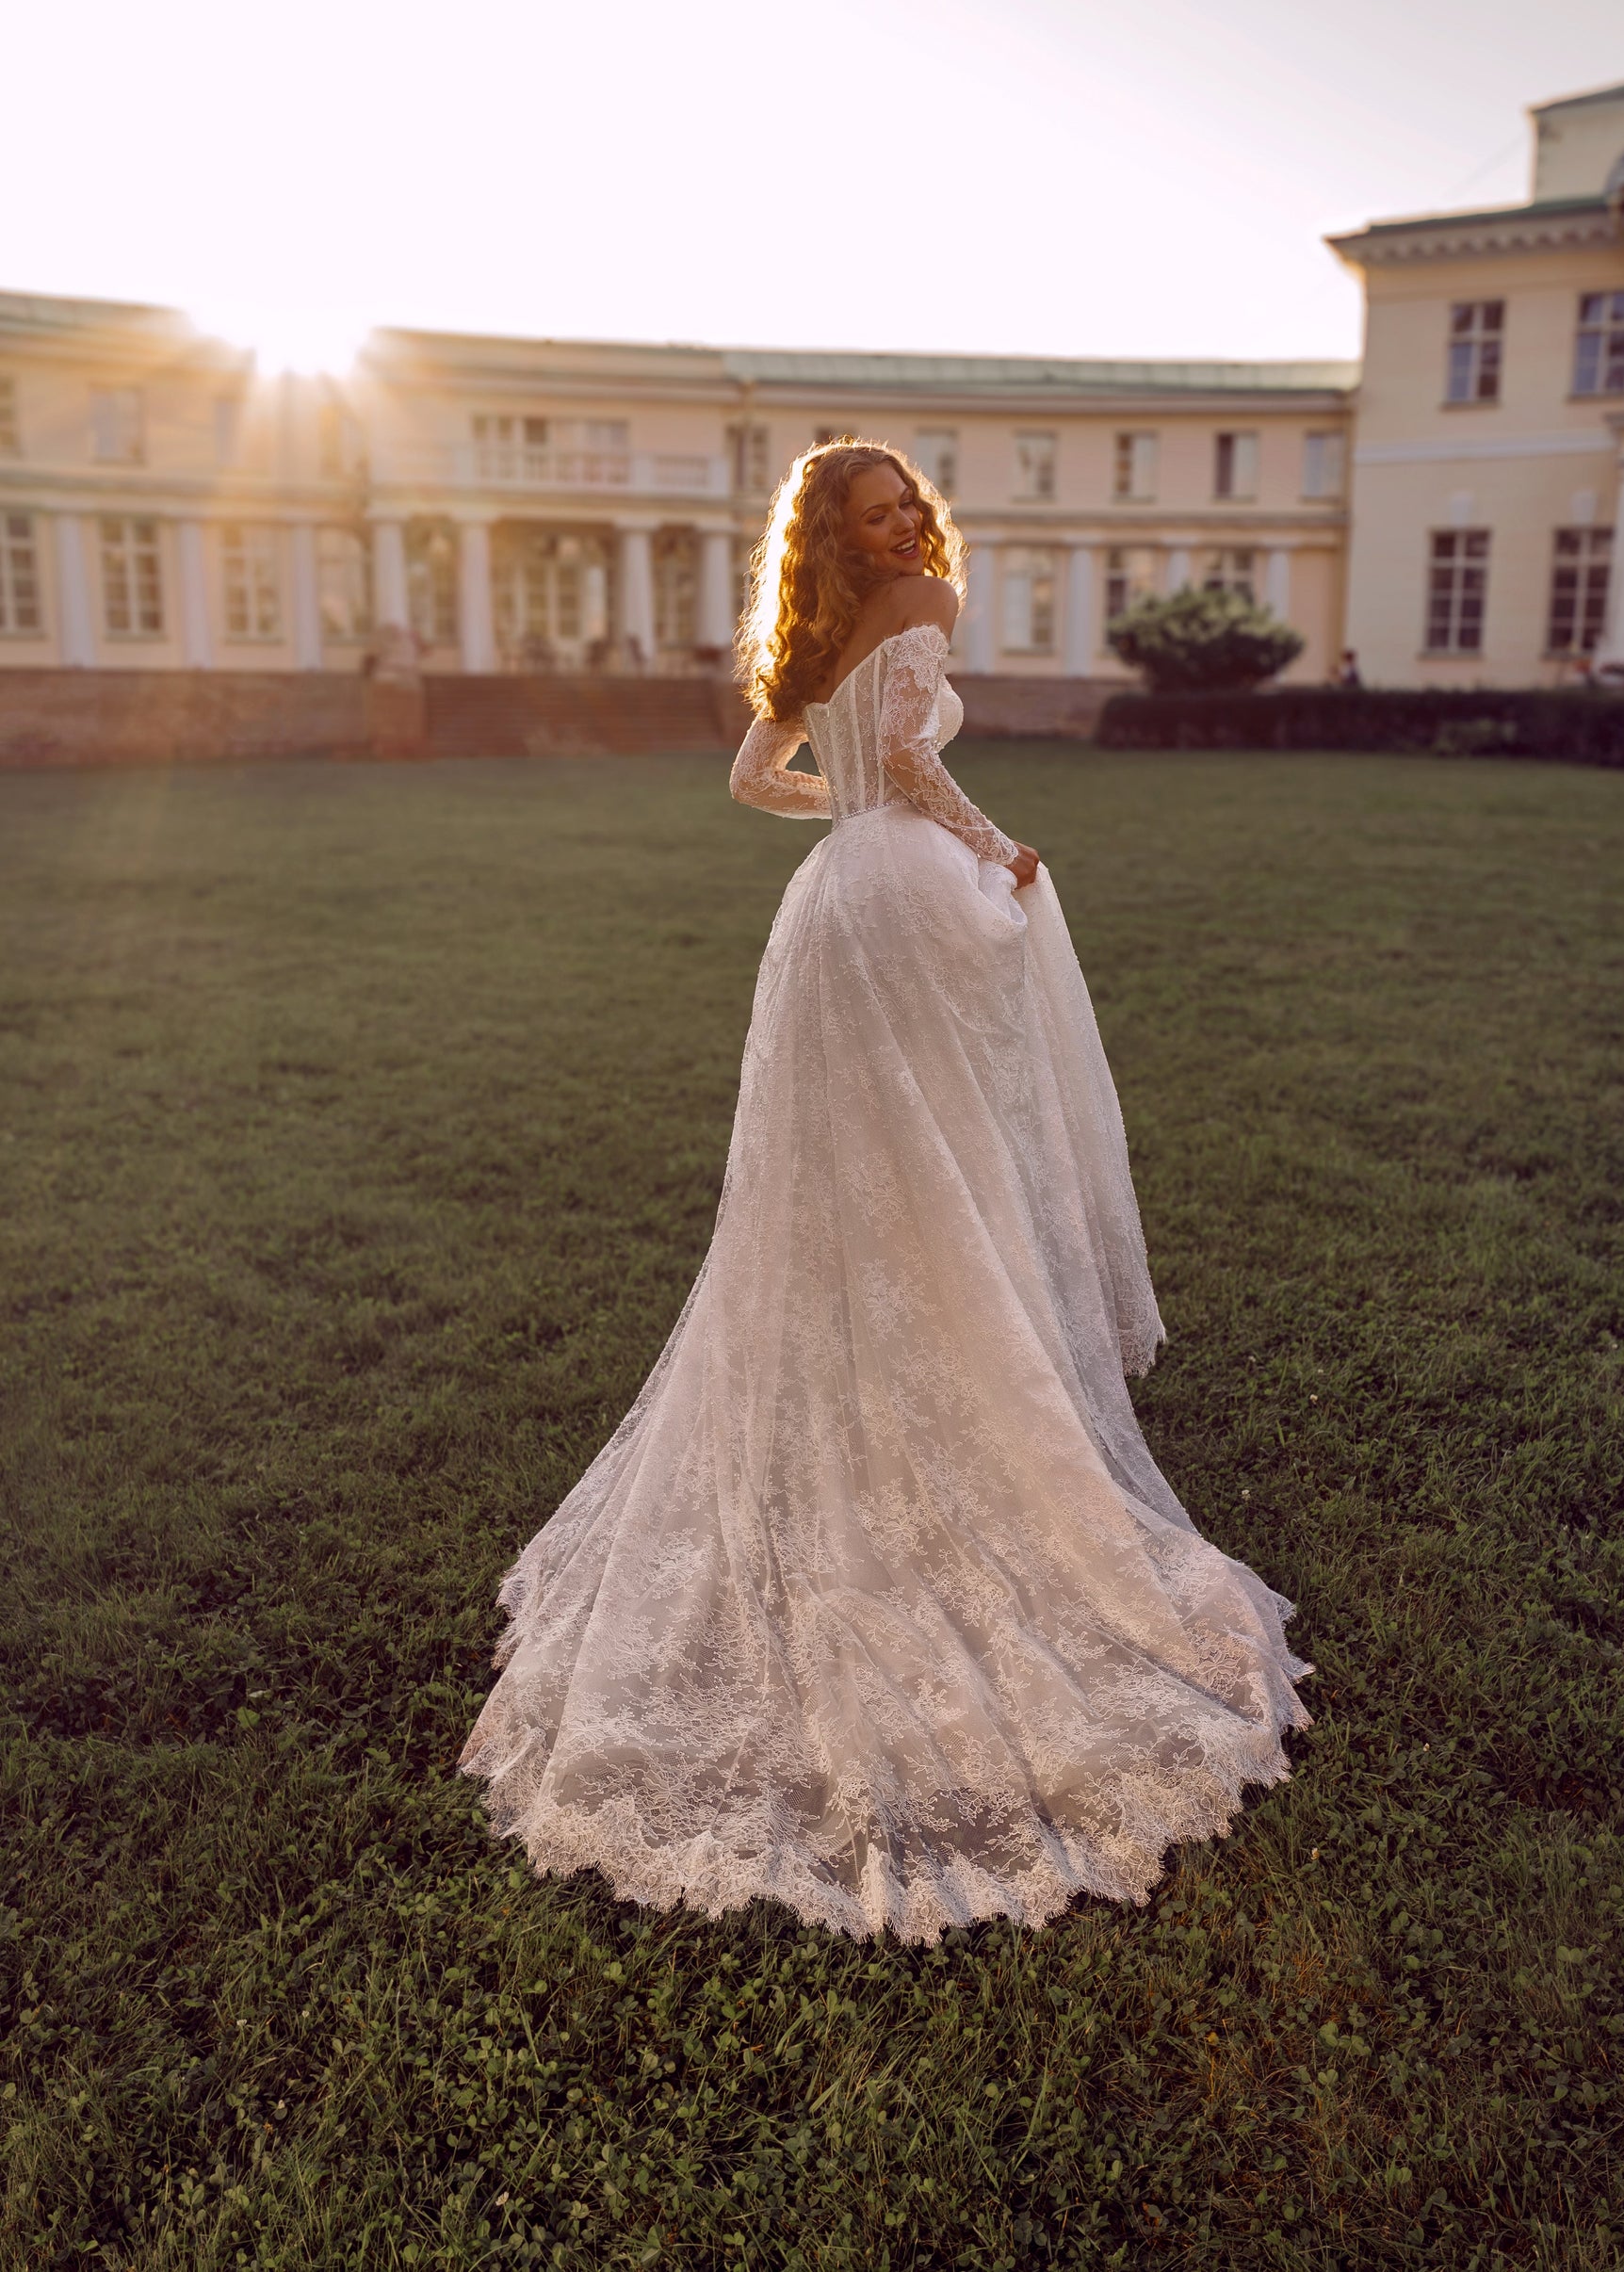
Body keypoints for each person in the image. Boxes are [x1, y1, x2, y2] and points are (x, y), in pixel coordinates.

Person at [460, 441, 1309, 1943]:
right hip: (906, 890)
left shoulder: (802, 634)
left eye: (905, 503)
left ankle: (890, 1360)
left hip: (833, 902)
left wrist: (848, 819)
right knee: (941, 1153)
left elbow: (754, 781)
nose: (906, 525)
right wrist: (992, 849)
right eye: (877, 511)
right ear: (848, 535)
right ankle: (962, 1372)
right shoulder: (921, 598)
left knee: (846, 1174)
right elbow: (913, 762)